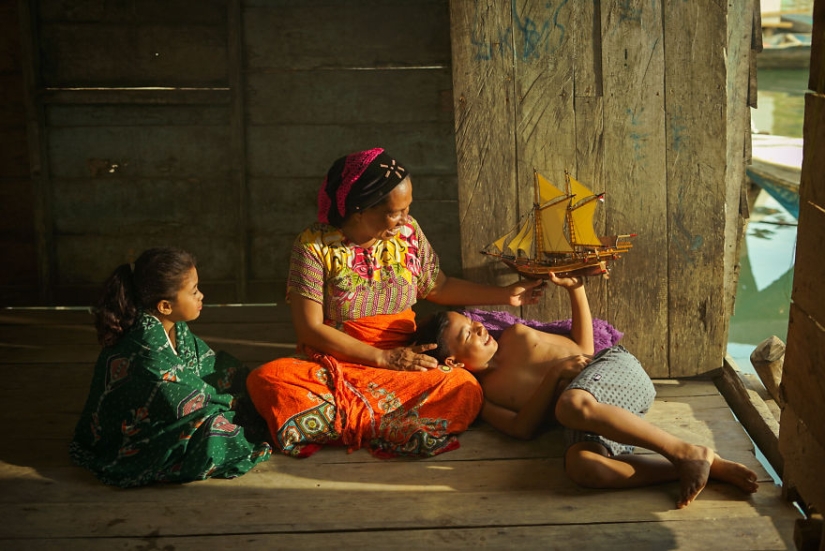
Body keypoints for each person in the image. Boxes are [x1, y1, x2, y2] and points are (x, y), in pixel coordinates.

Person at [246, 147, 546, 458]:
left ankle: (356, 422)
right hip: (339, 362)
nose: (404, 220)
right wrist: (382, 357)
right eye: (394, 212)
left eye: (407, 209)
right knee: (268, 380)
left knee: (461, 385)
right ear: (360, 209)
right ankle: (391, 425)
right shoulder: (313, 245)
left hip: (405, 363)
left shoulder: (408, 232)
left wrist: (506, 295)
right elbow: (309, 329)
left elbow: (438, 286)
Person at [413, 272, 760, 509]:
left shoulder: (518, 336)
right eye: (468, 334)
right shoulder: (484, 396)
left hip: (614, 371)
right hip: (589, 414)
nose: (480, 328)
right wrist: (554, 376)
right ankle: (697, 464)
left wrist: (575, 289)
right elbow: (521, 429)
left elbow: (585, 350)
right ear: (454, 363)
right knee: (583, 468)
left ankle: (685, 452)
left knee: (571, 404)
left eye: (474, 323)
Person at [70, 247, 271, 488]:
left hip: (174, 406)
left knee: (243, 377)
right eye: (194, 291)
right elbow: (182, 400)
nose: (201, 296)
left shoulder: (173, 325)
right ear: (165, 306)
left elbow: (204, 366)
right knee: (218, 433)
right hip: (135, 436)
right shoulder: (146, 349)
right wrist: (235, 404)